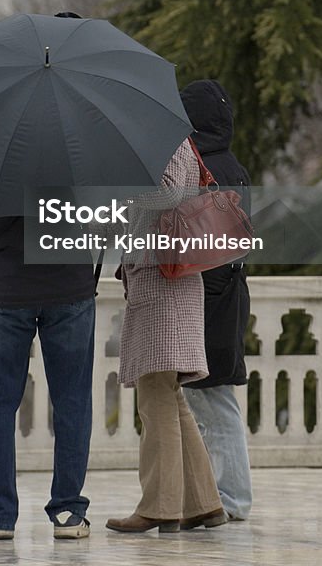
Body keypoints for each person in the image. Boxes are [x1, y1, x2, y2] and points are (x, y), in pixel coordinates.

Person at [0, 11, 95, 542]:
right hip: (72, 285)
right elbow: (116, 209)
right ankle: (69, 513)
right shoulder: (94, 131)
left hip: (5, 285)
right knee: (73, 402)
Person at [106, 139, 226, 534]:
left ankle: (160, 507)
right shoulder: (168, 140)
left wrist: (121, 192)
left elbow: (171, 191)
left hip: (164, 283)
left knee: (155, 392)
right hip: (165, 279)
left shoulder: (169, 139)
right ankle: (204, 504)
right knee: (170, 394)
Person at [179, 78, 253, 522]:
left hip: (207, 298)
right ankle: (219, 496)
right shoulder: (233, 166)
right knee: (212, 399)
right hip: (229, 295)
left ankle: (230, 499)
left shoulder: (199, 168)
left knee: (212, 401)